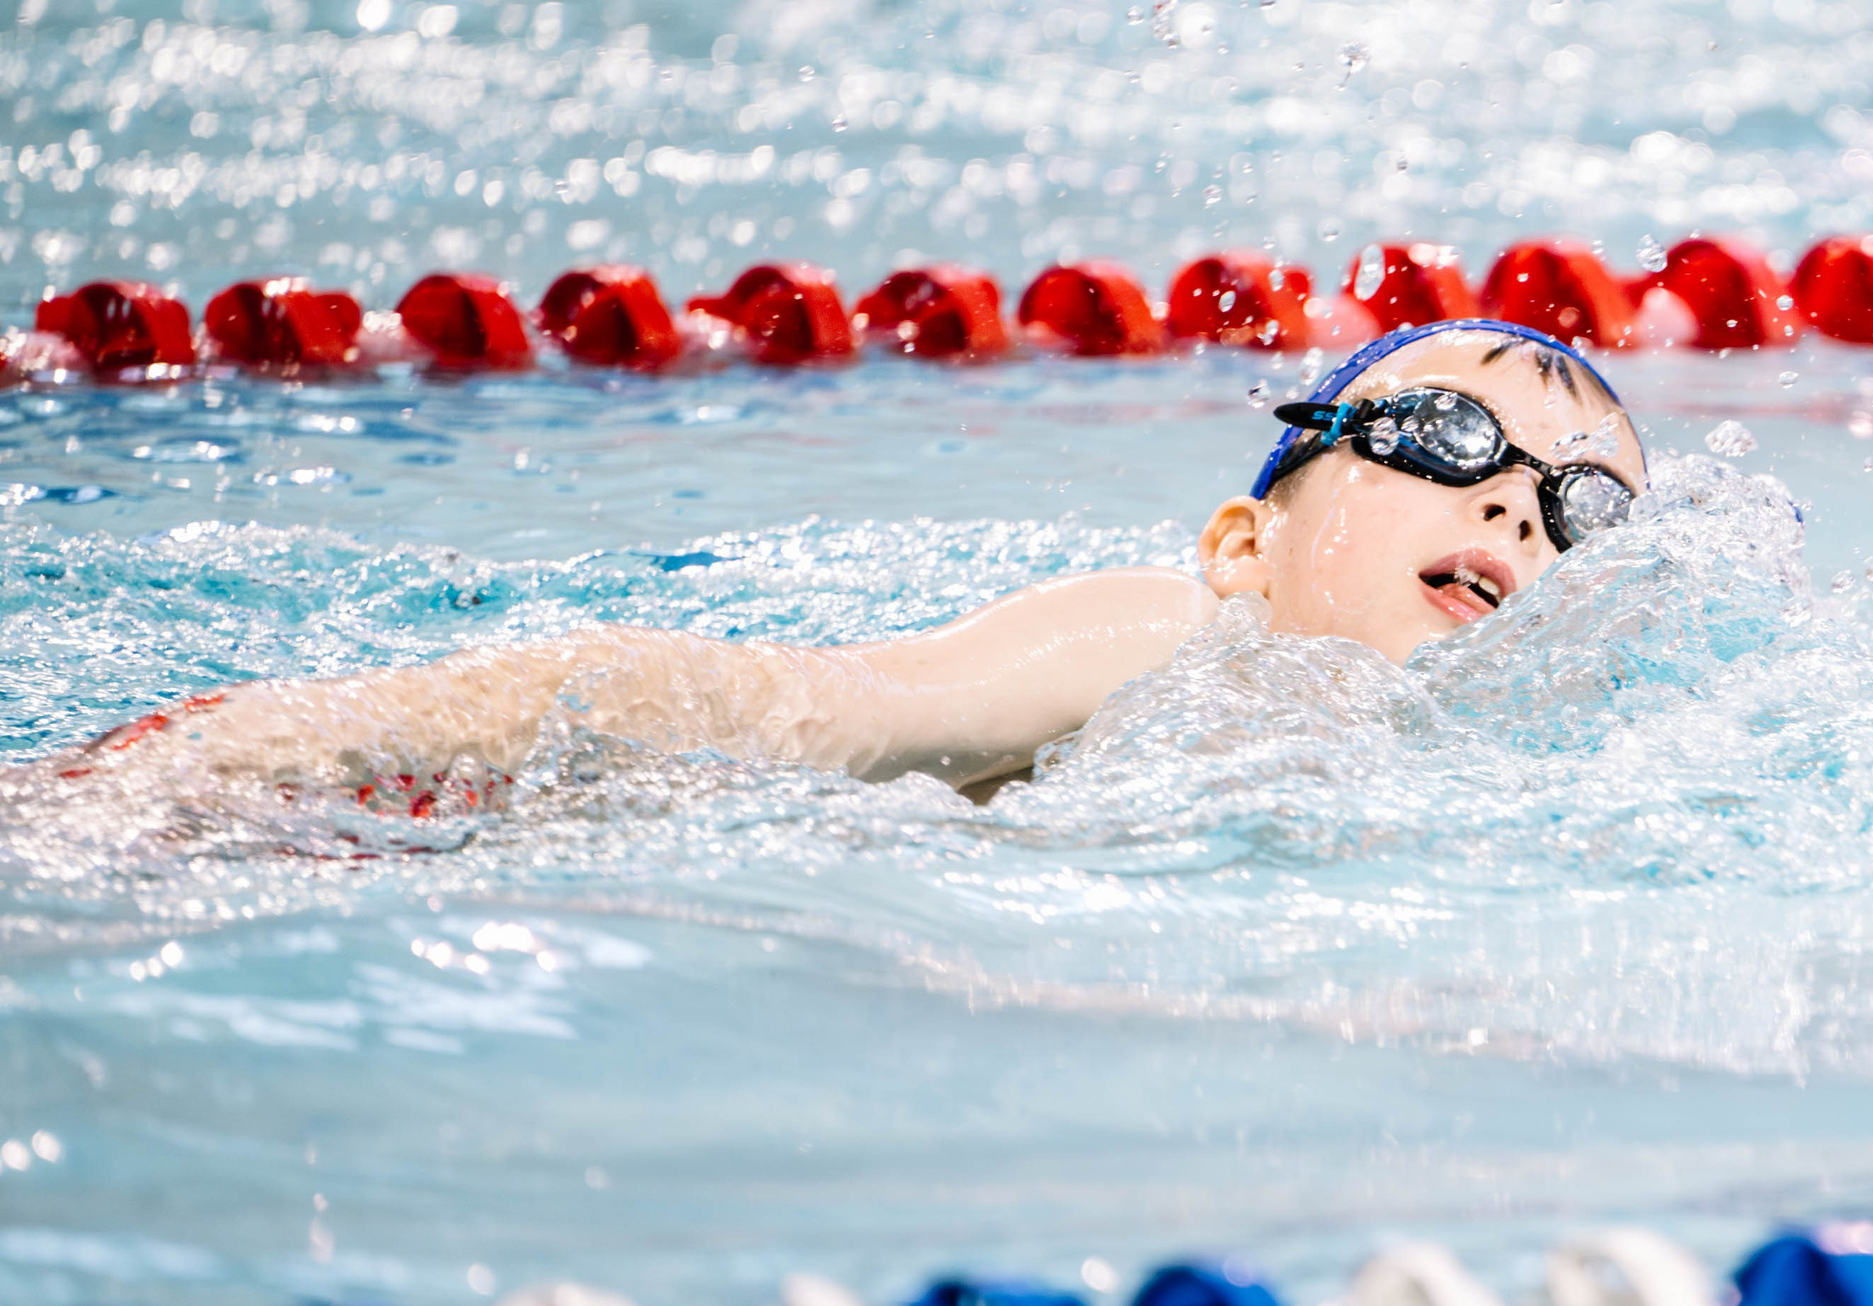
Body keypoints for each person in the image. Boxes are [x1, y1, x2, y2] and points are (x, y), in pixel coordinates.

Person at [64, 321, 1646, 801]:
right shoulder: (1172, 638)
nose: (1515, 511)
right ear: (1247, 545)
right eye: (1443, 439)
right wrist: (250, 759)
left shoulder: (1558, 766)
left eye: (1584, 511)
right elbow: (797, 703)